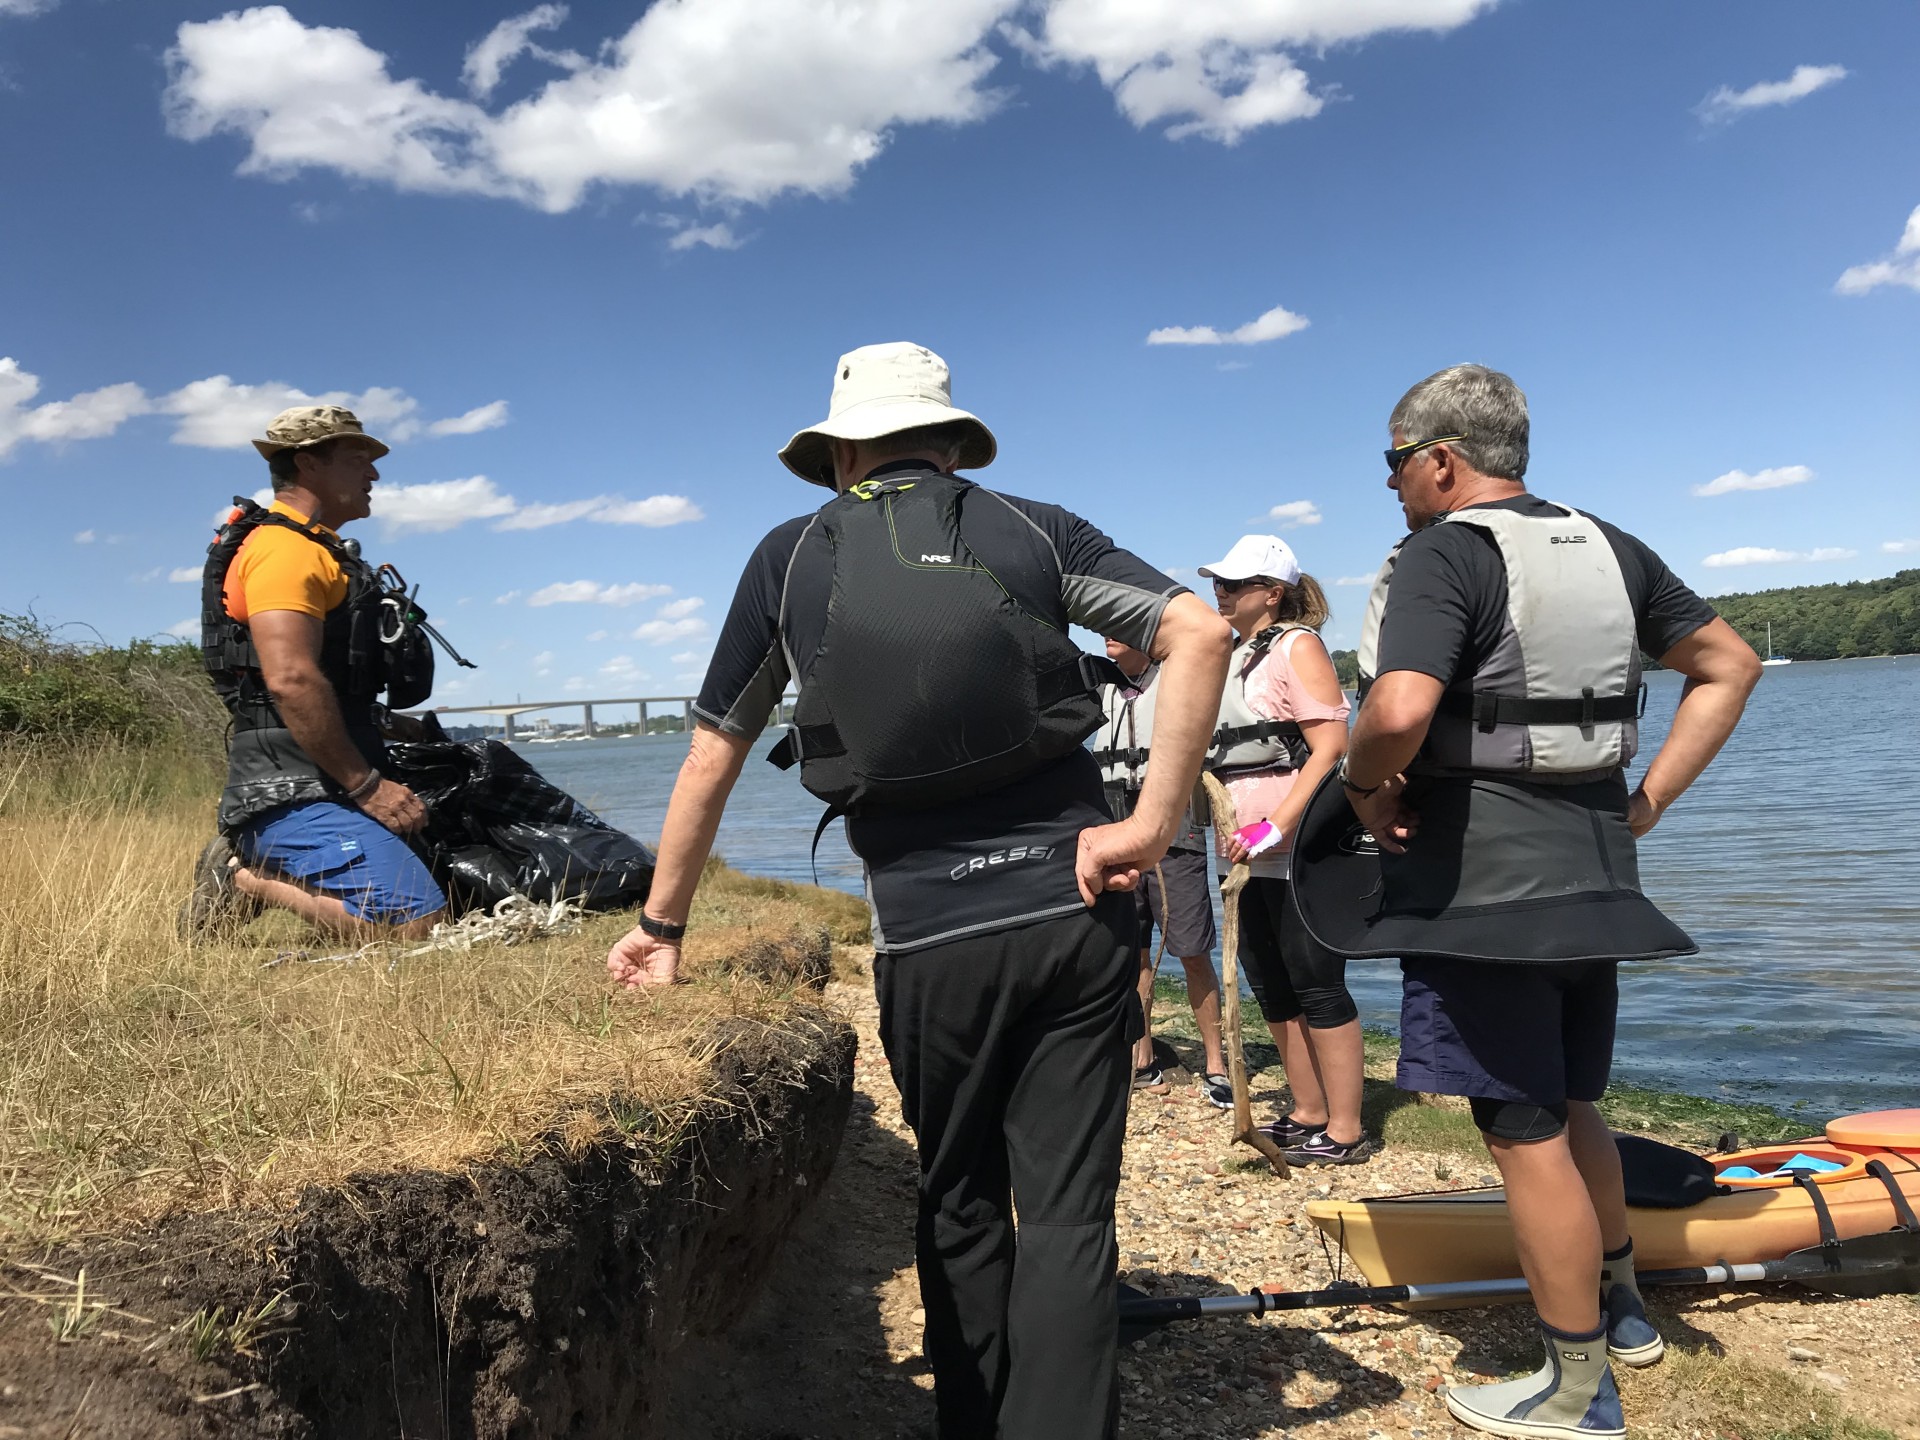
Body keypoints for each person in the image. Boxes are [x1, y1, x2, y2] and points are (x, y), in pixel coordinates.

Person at [604, 342, 1231, 1440]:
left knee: (960, 1194)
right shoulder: (1036, 527)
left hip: (928, 933)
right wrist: (1153, 823)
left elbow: (713, 750)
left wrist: (662, 926)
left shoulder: (786, 558)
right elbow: (1199, 630)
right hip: (1077, 909)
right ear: (953, 441)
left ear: (841, 451)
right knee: (1072, 1219)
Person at [1331, 364, 1759, 1438]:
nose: (1390, 486)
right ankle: (1623, 1320)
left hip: (1483, 893)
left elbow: (1397, 704)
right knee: (1575, 1107)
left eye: (1394, 464)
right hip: (1598, 878)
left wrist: (1366, 785)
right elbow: (1730, 665)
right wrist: (1647, 800)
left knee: (1522, 1133)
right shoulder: (1609, 544)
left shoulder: (1447, 551)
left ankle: (1575, 1394)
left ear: (1441, 460)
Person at [182, 405, 447, 942]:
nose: (373, 474)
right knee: (414, 926)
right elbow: (291, 680)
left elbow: (330, 685)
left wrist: (400, 729)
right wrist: (367, 786)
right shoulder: (284, 551)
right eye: (357, 460)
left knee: (467, 880)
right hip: (290, 790)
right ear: (307, 464)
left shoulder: (323, 551)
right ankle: (245, 879)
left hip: (336, 777)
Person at [1198, 534, 1371, 1166]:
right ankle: (1308, 1108)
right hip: (1243, 851)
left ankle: (1347, 1130)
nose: (1221, 592)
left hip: (1299, 849)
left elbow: (1330, 745)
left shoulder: (1297, 647)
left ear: (1271, 594)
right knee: (1270, 981)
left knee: (1318, 983)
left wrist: (1275, 826)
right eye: (1218, 583)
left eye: (1234, 584)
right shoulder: (1233, 656)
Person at [1093, 637, 1231, 1107]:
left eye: (1121, 628)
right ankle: (1142, 1059)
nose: (1108, 635)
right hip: (1115, 831)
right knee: (1132, 950)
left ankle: (1216, 1062)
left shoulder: (1177, 680)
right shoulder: (1102, 688)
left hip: (1176, 833)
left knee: (1193, 951)